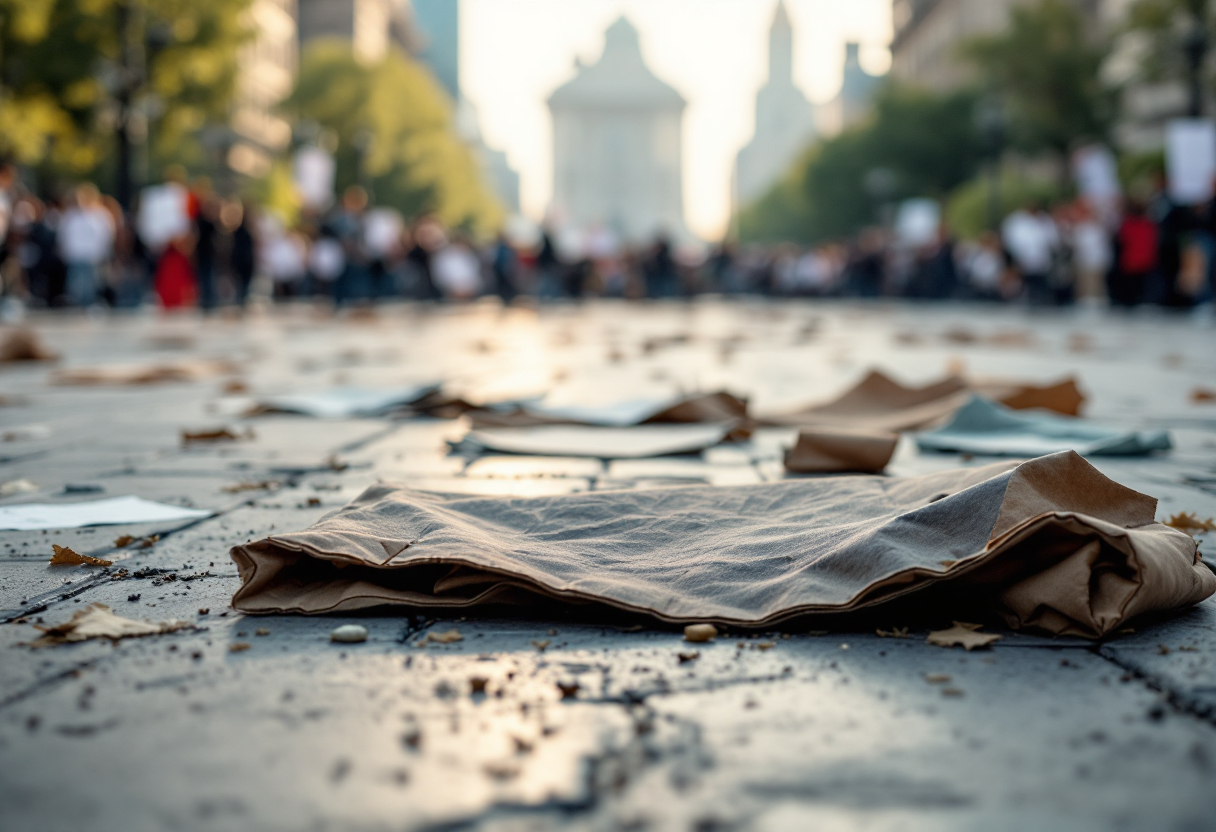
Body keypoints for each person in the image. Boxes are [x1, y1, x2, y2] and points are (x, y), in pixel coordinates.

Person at [58, 184, 115, 308]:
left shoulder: (101, 215)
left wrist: (104, 251)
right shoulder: (71, 215)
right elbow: (64, 235)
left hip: (93, 255)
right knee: (75, 282)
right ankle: (77, 304)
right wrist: (64, 250)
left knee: (92, 281)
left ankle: (89, 303)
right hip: (76, 254)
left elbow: (107, 234)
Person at [1002, 202, 1059, 306]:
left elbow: (1052, 239)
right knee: (1026, 282)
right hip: (1023, 258)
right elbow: (1013, 240)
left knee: (1041, 282)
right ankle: (1027, 301)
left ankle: (1041, 301)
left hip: (1041, 259)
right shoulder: (1017, 221)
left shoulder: (1044, 220)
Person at [1110, 201, 1157, 308]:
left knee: (1132, 285)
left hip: (1131, 260)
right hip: (1144, 260)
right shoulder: (1148, 224)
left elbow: (1121, 240)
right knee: (1141, 284)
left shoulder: (1128, 224)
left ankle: (1132, 302)